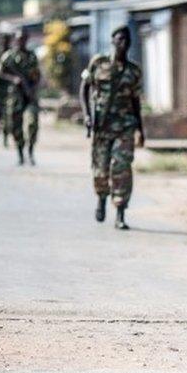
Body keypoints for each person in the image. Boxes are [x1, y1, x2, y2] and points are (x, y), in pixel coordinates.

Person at [79, 26, 145, 230]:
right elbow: (84, 88)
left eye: (126, 40)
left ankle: (120, 212)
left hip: (125, 127)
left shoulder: (134, 71)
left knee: (121, 168)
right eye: (119, 39)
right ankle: (101, 198)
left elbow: (136, 102)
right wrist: (87, 115)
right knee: (100, 170)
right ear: (112, 40)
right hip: (101, 127)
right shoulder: (98, 63)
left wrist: (140, 130)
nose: (123, 43)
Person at [0, 30, 40, 165]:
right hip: (14, 97)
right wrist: (13, 78)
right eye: (19, 39)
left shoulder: (32, 56)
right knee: (15, 127)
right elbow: (0, 72)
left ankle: (31, 152)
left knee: (32, 124)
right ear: (15, 40)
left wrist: (31, 87)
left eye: (24, 39)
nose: (21, 41)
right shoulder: (8, 56)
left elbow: (37, 75)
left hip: (29, 96)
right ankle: (20, 154)